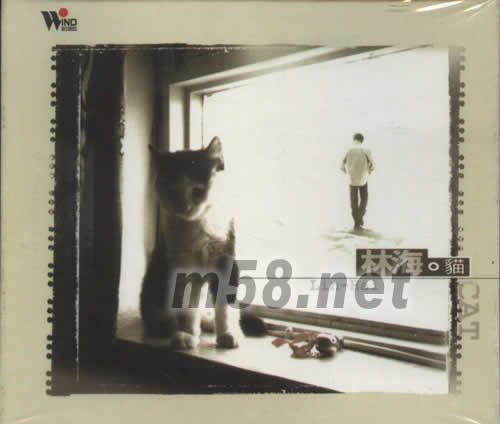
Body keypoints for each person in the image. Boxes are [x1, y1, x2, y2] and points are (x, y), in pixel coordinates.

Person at [341, 133, 375, 229]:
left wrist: (348, 173)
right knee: (364, 198)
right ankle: (360, 216)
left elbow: (341, 166)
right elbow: (373, 165)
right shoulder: (366, 150)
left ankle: (356, 221)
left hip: (351, 179)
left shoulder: (348, 149)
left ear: (354, 139)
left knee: (353, 201)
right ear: (362, 140)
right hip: (363, 178)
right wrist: (369, 171)